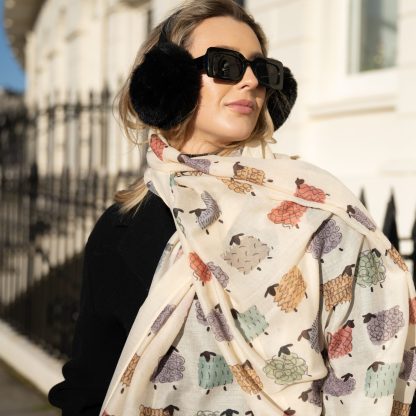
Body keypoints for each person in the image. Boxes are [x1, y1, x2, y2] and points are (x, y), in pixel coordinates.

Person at [48, 1, 416, 415]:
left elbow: (375, 365)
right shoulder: (120, 231)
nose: (250, 82)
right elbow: (87, 387)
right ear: (166, 80)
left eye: (261, 69)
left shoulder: (318, 212)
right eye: (224, 65)